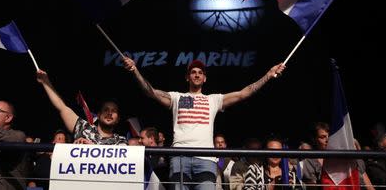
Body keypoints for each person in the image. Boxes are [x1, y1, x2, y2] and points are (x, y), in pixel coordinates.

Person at [123, 57, 285, 190]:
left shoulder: (213, 100)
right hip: (180, 157)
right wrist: (135, 71)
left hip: (206, 159)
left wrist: (268, 75)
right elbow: (150, 91)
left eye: (200, 72)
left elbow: (244, 93)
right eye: (193, 72)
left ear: (205, 78)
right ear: (187, 77)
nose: (197, 74)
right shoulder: (177, 98)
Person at [36, 69, 127, 145]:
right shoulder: (83, 128)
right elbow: (61, 107)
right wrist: (45, 82)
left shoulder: (121, 141)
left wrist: (92, 147)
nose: (109, 113)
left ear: (118, 119)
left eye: (113, 111)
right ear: (98, 115)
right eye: (106, 110)